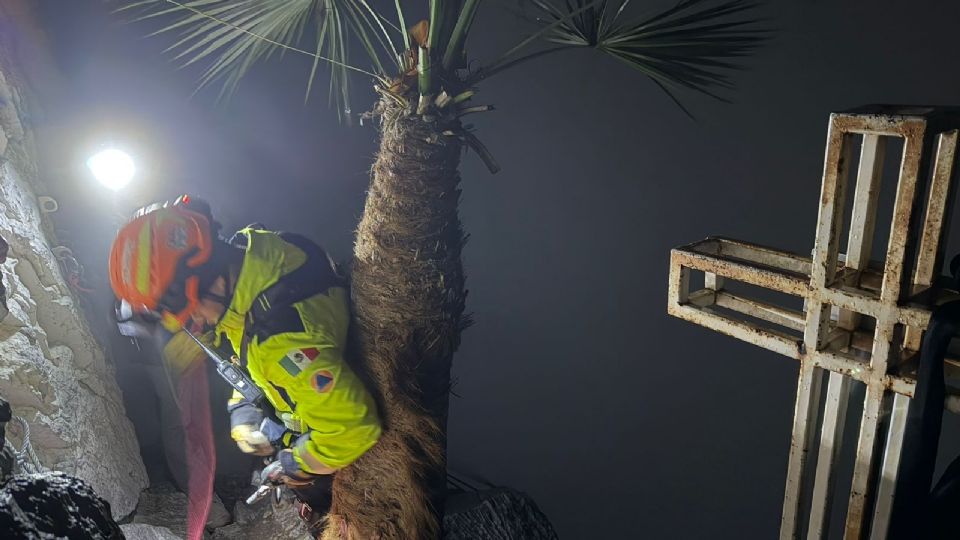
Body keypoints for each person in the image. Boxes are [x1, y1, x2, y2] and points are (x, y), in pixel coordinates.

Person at [107, 196, 382, 535]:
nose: (196, 325)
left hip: (340, 451)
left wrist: (295, 464)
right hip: (313, 400)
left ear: (206, 280)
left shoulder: (282, 342)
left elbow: (354, 427)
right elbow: (246, 348)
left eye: (192, 314)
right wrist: (244, 411)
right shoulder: (257, 257)